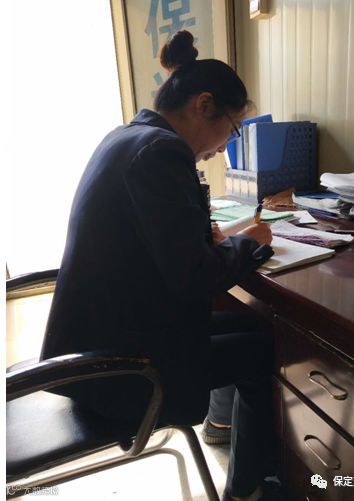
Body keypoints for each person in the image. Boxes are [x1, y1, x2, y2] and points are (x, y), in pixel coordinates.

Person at [40, 30, 283, 501]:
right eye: (232, 128)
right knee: (261, 350)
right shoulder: (161, 151)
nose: (225, 147)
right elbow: (195, 278)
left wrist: (208, 241)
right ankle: (247, 489)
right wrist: (250, 242)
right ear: (203, 105)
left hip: (102, 340)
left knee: (251, 327)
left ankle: (220, 427)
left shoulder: (129, 136)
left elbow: (162, 246)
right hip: (119, 372)